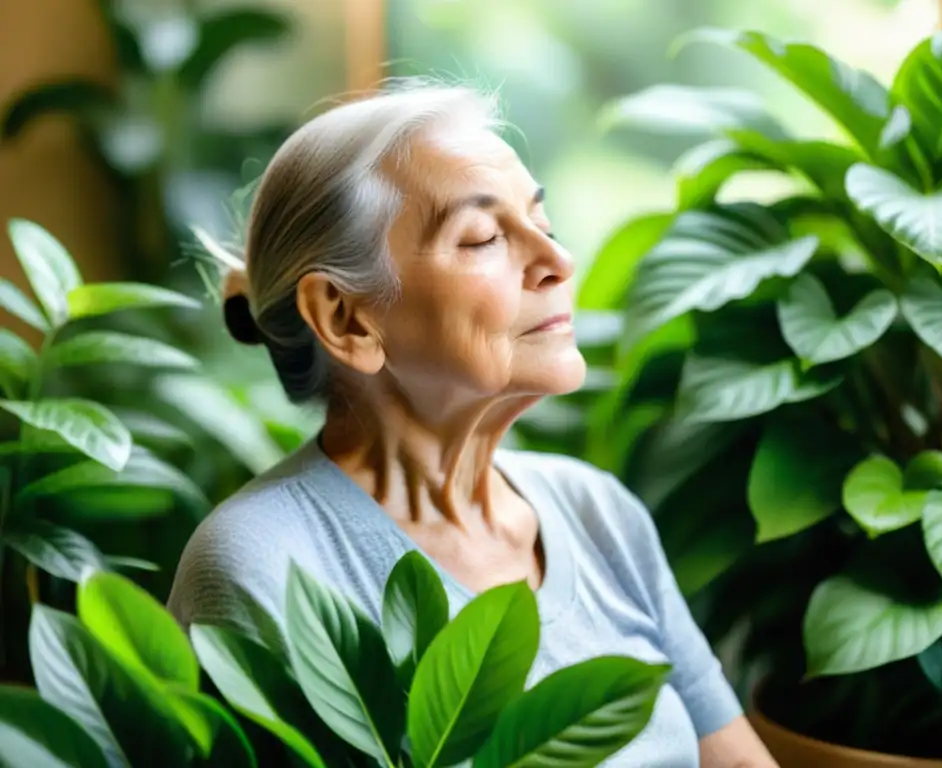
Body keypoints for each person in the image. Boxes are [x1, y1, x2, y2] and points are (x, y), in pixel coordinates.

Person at [168, 80, 778, 768]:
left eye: (541, 224)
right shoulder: (262, 565)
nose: (558, 261)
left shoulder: (598, 512)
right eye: (484, 237)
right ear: (346, 319)